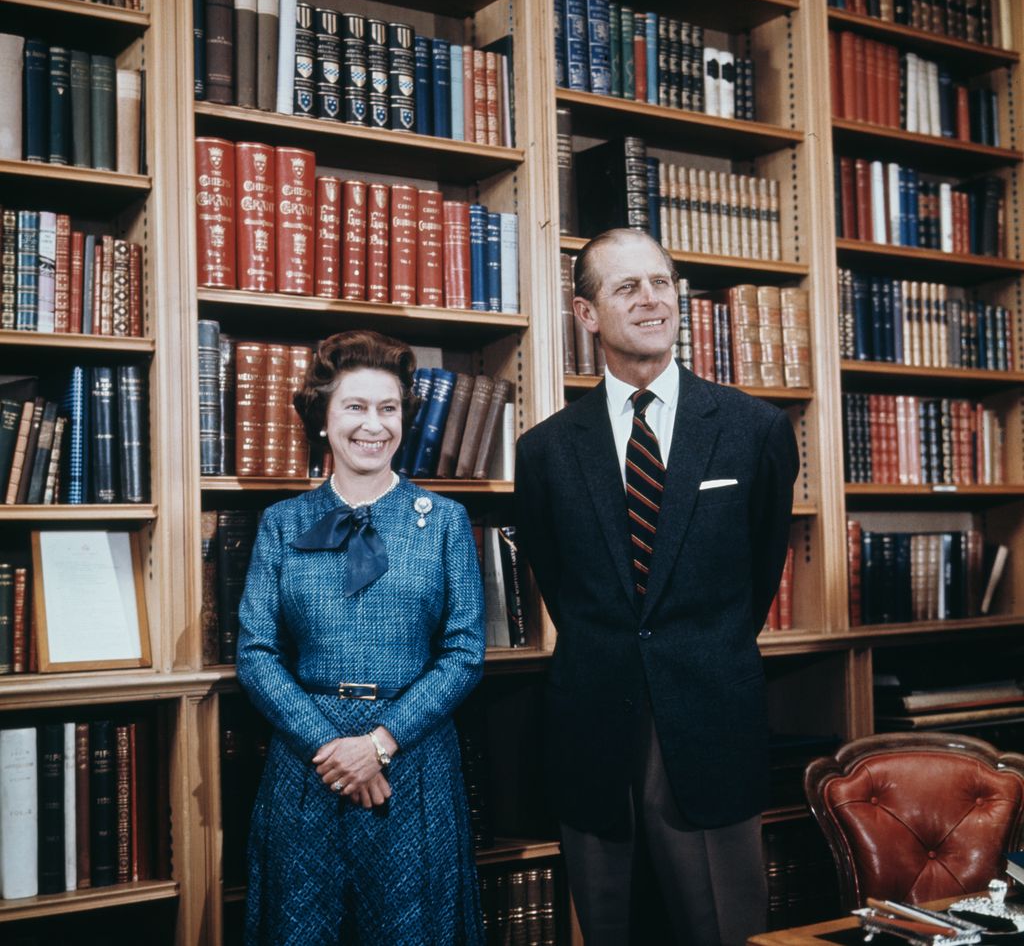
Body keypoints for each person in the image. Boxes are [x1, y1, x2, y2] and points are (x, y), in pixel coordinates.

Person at [514, 229, 799, 945]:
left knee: (726, 931)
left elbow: (761, 568)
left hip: (712, 723)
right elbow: (559, 582)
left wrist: (698, 647)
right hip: (592, 732)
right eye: (626, 287)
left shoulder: (753, 430)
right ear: (586, 315)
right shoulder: (545, 451)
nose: (651, 300)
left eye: (662, 282)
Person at [236, 330, 486, 946]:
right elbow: (256, 653)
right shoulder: (282, 523)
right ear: (323, 417)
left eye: (388, 408)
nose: (373, 425)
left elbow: (463, 653)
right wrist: (335, 750)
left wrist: (378, 744)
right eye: (355, 407)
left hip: (413, 765)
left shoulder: (446, 522)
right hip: (308, 767)